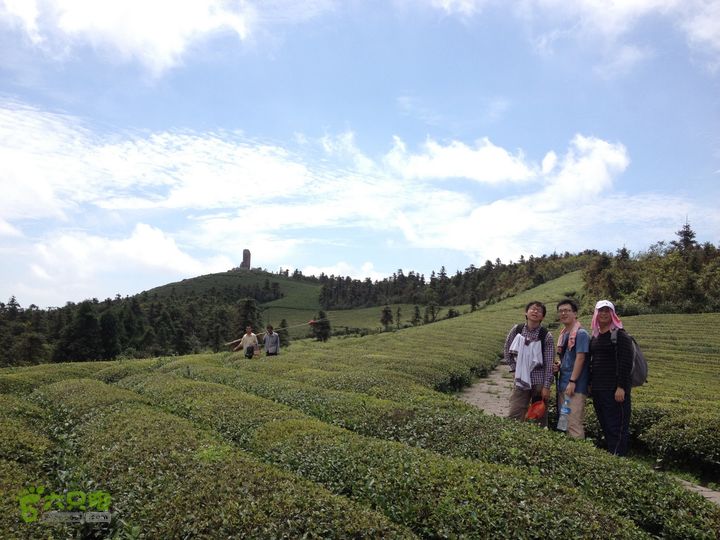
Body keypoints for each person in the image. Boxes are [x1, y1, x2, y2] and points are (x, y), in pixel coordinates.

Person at [589, 300, 633, 456]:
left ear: (612, 314)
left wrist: (621, 387)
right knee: (606, 424)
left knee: (617, 427)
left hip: (615, 390)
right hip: (599, 389)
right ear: (596, 314)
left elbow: (625, 363)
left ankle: (618, 458)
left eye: (607, 311)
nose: (603, 314)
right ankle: (612, 456)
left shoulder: (620, 335)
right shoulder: (595, 337)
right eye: (600, 311)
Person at [504, 301, 555, 425]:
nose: (535, 312)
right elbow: (507, 350)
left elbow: (549, 363)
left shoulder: (546, 336)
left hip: (538, 382)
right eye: (532, 309)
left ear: (542, 317)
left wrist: (546, 386)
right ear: (526, 313)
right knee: (515, 413)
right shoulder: (517, 330)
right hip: (521, 380)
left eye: (539, 311)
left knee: (539, 417)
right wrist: (514, 369)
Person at [555, 299, 590, 438]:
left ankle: (579, 454)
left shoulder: (581, 334)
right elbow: (568, 358)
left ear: (575, 313)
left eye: (567, 310)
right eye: (561, 311)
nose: (563, 313)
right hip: (564, 384)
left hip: (575, 386)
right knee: (563, 423)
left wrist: (572, 381)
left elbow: (580, 358)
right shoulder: (564, 334)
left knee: (573, 423)